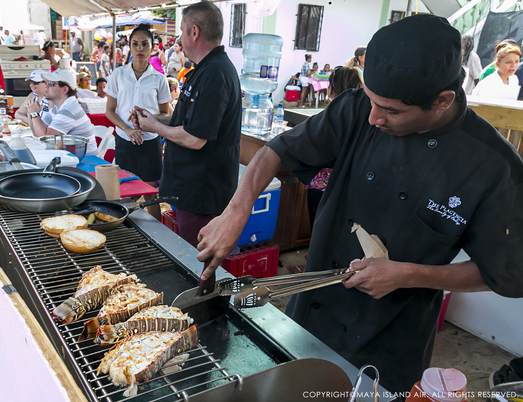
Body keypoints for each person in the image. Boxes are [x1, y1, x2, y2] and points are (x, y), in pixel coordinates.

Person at [195, 15, 523, 395]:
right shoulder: (356, 109)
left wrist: (409, 274)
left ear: (442, 101)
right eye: (370, 100)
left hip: (391, 339)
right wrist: (237, 210)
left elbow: (505, 273)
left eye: (392, 111)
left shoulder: (493, 167)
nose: (373, 117)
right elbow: (277, 150)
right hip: (310, 312)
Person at [131, 1, 242, 248]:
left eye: (181, 31)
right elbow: (189, 121)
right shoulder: (205, 69)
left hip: (201, 193)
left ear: (194, 32)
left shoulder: (215, 73)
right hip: (189, 189)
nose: (179, 39)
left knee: (196, 260)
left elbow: (195, 138)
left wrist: (154, 128)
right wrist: (153, 118)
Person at [104, 24, 171, 220]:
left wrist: (149, 123)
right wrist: (127, 128)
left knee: (150, 189)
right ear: (129, 47)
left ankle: (158, 233)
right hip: (125, 139)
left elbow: (166, 112)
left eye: (144, 44)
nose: (140, 49)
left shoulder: (159, 79)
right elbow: (110, 111)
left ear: (153, 47)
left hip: (150, 140)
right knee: (126, 189)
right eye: (135, 44)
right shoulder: (118, 74)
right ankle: (126, 227)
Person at [305, 66, 362, 229]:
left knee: (318, 232)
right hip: (352, 186)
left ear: (332, 89)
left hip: (322, 185)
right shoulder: (365, 118)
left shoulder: (329, 118)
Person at [24, 68, 98, 154]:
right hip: (73, 158)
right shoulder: (59, 107)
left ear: (65, 90)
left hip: (84, 161)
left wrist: (34, 114)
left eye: (51, 83)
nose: (46, 86)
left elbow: (45, 139)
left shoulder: (68, 110)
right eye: (46, 83)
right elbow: (37, 133)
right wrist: (31, 112)